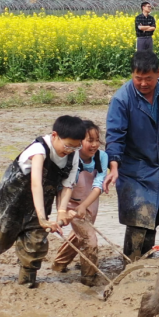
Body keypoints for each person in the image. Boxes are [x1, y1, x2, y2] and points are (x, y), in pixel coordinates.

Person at [0, 116, 86, 288]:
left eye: (75, 146)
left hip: (41, 202)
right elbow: (36, 183)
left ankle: (27, 283)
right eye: (67, 146)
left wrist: (62, 211)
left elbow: (67, 185)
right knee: (2, 237)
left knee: (36, 243)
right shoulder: (39, 149)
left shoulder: (73, 155)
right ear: (55, 135)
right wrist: (42, 217)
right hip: (12, 200)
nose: (71, 150)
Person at [103, 50, 159, 262]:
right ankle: (131, 264)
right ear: (132, 74)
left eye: (148, 79)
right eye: (138, 78)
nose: (143, 83)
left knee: (152, 219)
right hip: (133, 170)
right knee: (138, 219)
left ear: (158, 74)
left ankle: (144, 259)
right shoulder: (122, 99)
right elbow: (115, 136)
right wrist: (113, 165)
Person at [51, 119, 107, 286]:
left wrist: (84, 206)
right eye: (90, 140)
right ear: (78, 141)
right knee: (90, 239)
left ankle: (59, 264)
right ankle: (88, 278)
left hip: (90, 202)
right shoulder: (71, 159)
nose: (95, 144)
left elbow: (99, 185)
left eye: (97, 140)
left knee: (80, 235)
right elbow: (64, 187)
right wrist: (63, 210)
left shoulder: (101, 157)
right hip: (69, 203)